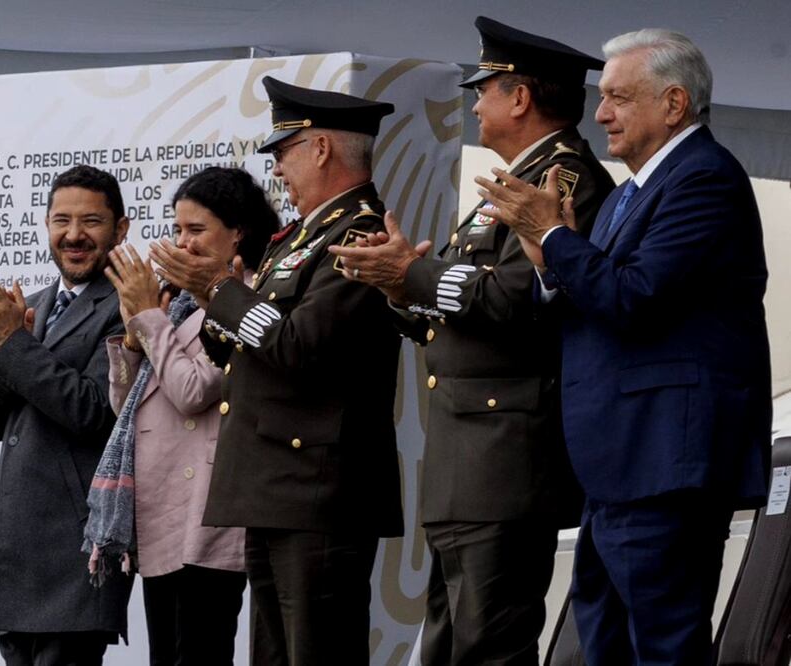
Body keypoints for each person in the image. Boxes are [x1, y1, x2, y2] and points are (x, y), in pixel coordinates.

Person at [478, 29, 771, 664]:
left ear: (673, 104)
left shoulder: (704, 180)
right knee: (604, 642)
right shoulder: (633, 190)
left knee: (661, 647)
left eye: (617, 97)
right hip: (620, 465)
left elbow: (634, 298)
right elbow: (594, 295)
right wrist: (549, 259)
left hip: (665, 462)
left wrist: (553, 236)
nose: (601, 112)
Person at [330, 17, 613, 664]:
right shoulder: (517, 179)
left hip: (505, 454)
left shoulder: (561, 180)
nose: (475, 101)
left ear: (520, 97)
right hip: (468, 451)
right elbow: (464, 305)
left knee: (488, 644)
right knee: (449, 643)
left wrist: (417, 273)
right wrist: (401, 289)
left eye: (486, 87)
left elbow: (524, 296)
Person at [150, 76, 403, 666]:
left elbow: (297, 345)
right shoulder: (301, 239)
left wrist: (216, 289)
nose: (279, 171)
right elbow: (241, 350)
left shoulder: (357, 234)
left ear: (320, 149)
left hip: (316, 490)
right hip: (275, 489)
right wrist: (220, 302)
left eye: (284, 152)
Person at [92, 166, 278, 666]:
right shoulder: (179, 307)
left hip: (207, 515)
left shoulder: (251, 295)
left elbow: (194, 389)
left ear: (238, 230)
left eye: (196, 230)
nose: (183, 243)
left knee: (197, 654)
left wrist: (147, 317)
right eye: (177, 230)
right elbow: (127, 408)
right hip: (162, 512)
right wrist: (135, 336)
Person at [0, 165, 133, 665]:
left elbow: (93, 411)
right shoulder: (32, 304)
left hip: (77, 549)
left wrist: (14, 343)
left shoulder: (129, 304)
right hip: (18, 554)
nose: (74, 235)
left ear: (120, 230)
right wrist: (1, 344)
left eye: (92, 222)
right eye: (61, 220)